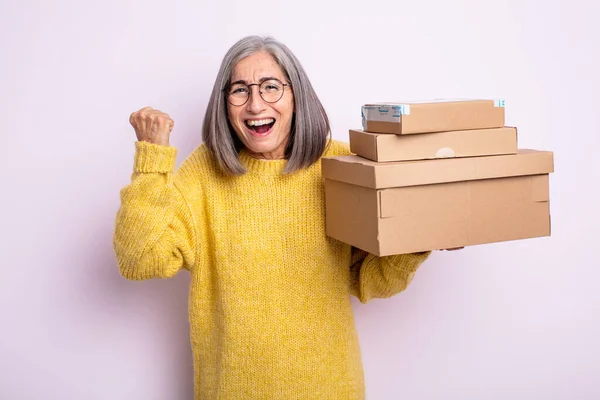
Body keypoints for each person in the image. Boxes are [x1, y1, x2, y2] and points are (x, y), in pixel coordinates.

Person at [113, 35, 448, 399]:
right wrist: (151, 162)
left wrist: (417, 240)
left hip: (330, 389)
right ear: (225, 104)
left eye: (270, 87)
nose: (256, 104)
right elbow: (140, 260)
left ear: (295, 95)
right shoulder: (204, 174)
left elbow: (370, 280)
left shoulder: (340, 167)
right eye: (240, 90)